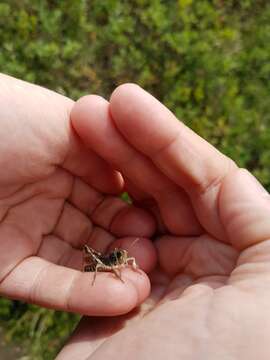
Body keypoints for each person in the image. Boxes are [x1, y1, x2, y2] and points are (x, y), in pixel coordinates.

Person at [0, 74, 270, 359]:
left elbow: (125, 262)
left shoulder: (122, 257)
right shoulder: (108, 260)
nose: (124, 259)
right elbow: (112, 266)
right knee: (99, 262)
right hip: (97, 263)